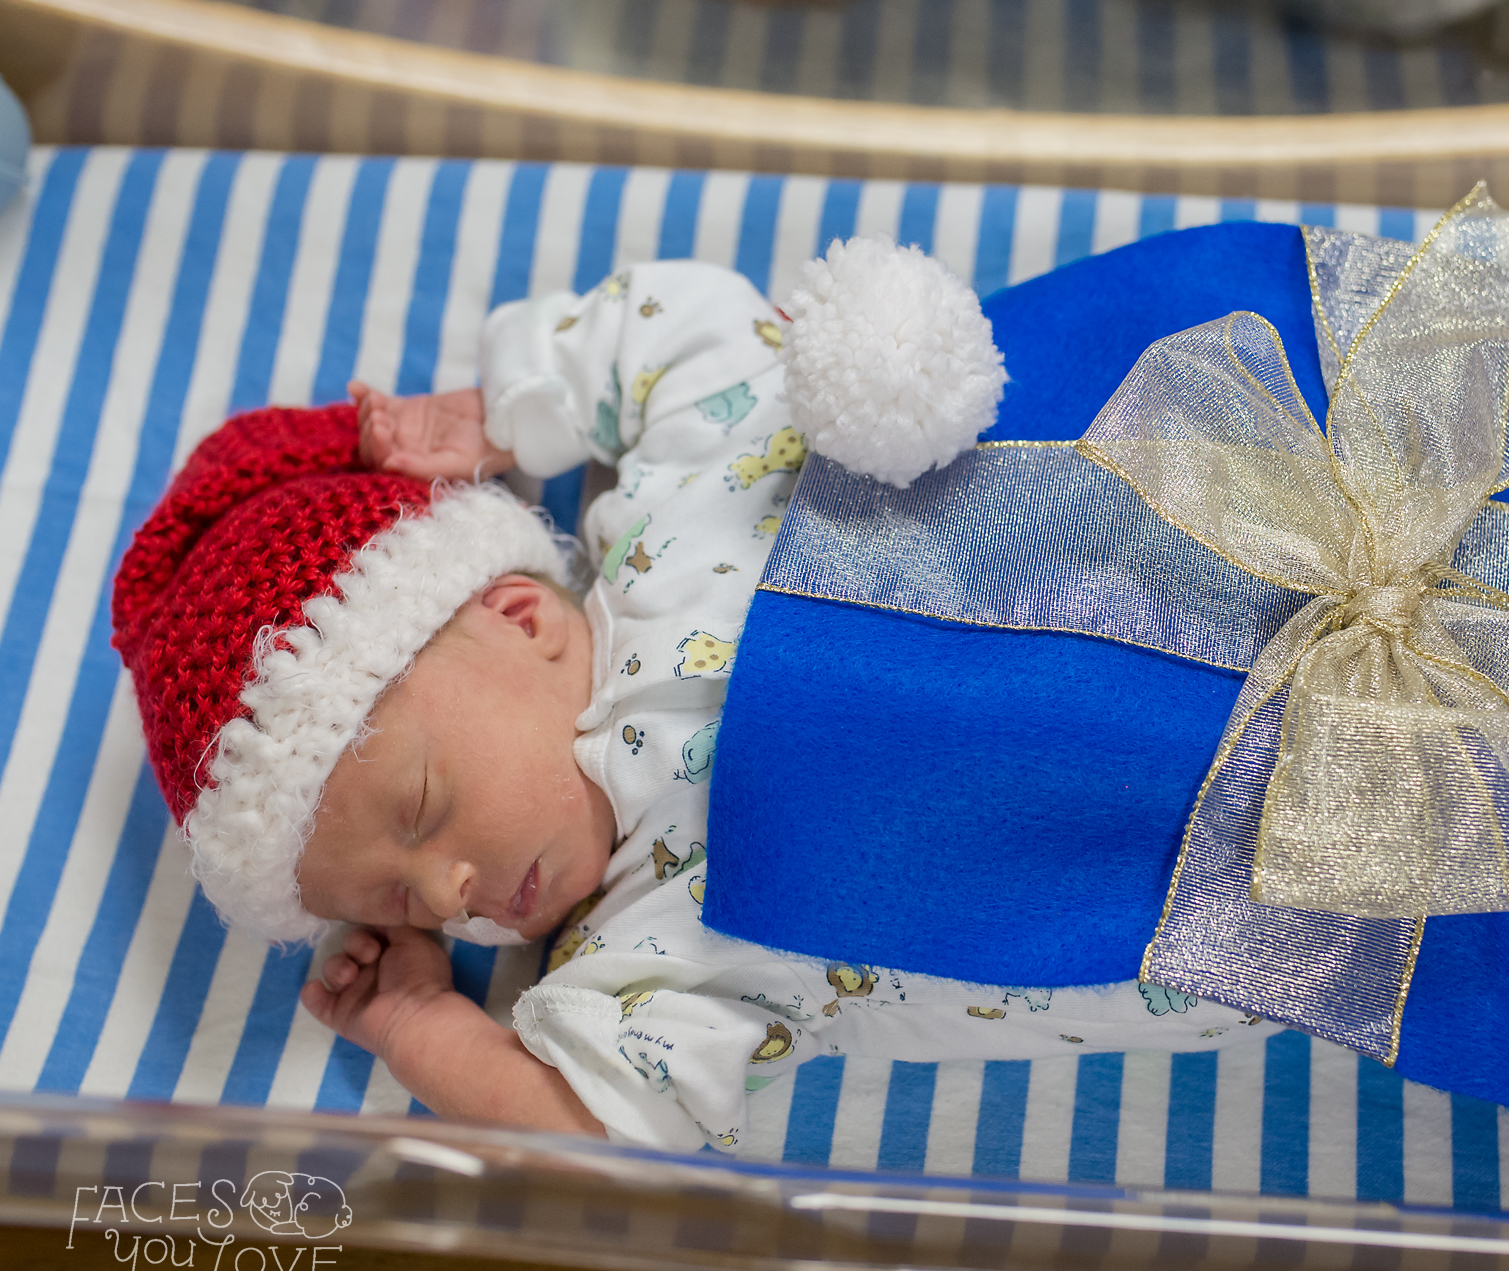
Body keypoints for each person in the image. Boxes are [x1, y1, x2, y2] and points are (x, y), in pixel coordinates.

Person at [111, 250, 1265, 1150]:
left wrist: (498, 411)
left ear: (519, 617)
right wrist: (421, 1025)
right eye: (402, 908)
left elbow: (678, 329)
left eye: (420, 812)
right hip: (1221, 866)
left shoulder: (673, 515)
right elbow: (590, 1139)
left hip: (1187, 531)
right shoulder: (649, 942)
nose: (451, 895)